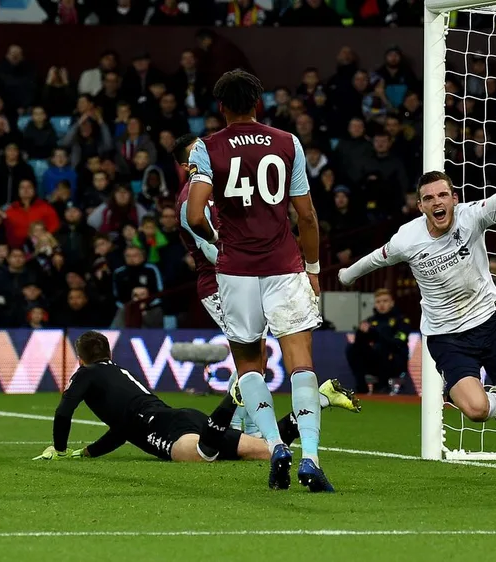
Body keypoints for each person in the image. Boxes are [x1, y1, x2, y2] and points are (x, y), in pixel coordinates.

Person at [339, 128, 496, 488]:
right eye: (428, 198)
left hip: (490, 323)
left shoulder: (472, 217)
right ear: (420, 206)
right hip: (447, 337)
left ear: (454, 198)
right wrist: (345, 276)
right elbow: (376, 258)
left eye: (442, 195)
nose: (437, 202)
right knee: (476, 410)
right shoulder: (408, 238)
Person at [186, 70, 331, 491]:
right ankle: (311, 457)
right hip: (284, 266)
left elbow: (194, 215)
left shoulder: (207, 147)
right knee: (301, 362)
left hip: (236, 271)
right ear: (257, 103)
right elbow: (306, 216)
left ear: (221, 107)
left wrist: (220, 239)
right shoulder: (288, 143)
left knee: (250, 366)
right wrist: (313, 269)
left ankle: (274, 446)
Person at [172, 133, 359, 432]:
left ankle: (243, 427)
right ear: (186, 165)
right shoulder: (189, 202)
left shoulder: (222, 186)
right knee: (252, 353)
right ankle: (242, 428)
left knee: (256, 354)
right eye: (197, 151)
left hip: (245, 274)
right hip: (219, 284)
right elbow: (209, 249)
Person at [33, 330, 297, 462]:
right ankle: (303, 413)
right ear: (109, 354)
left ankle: (229, 401)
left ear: (80, 359)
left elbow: (64, 411)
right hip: (183, 416)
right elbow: (122, 430)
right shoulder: (122, 373)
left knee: (200, 456)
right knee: (266, 450)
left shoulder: (85, 373)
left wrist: (60, 450)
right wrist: (88, 452)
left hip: (160, 428)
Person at [346, 288, 412, 394]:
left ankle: (383, 386)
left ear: (392, 303)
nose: (381, 304)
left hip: (394, 361)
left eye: (385, 301)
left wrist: (374, 333)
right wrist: (360, 332)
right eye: (378, 301)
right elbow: (360, 344)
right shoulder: (370, 321)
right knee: (352, 349)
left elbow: (398, 343)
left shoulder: (402, 321)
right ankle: (362, 388)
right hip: (374, 361)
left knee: (382, 347)